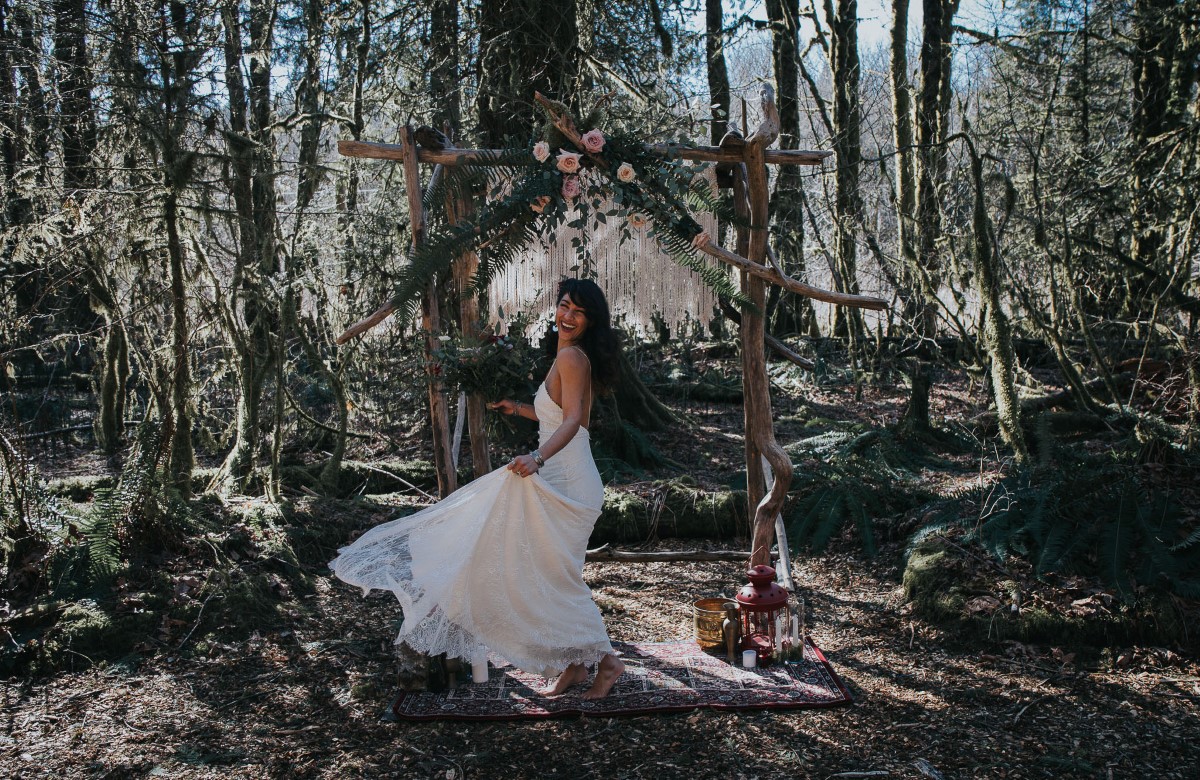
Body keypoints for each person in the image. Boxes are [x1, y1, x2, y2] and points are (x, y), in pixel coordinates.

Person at [330, 278, 625, 700]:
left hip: (570, 483)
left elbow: (576, 420)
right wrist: (517, 407)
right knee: (554, 573)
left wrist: (537, 458)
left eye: (578, 312)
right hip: (558, 477)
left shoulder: (574, 358)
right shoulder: (566, 354)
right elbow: (555, 415)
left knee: (559, 578)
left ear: (590, 321)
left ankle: (607, 661)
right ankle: (575, 664)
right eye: (563, 306)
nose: (567, 316)